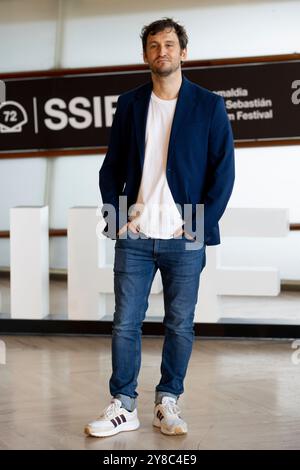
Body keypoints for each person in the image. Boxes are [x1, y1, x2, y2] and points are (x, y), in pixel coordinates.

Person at [85, 17, 235, 438]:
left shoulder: (209, 105)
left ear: (183, 52)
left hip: (184, 239)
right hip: (135, 237)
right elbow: (111, 167)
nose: (162, 52)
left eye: (169, 44)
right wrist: (116, 218)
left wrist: (199, 225)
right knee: (124, 323)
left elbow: (222, 174)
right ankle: (123, 405)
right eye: (154, 46)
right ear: (145, 54)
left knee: (180, 324)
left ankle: (167, 401)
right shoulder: (130, 103)